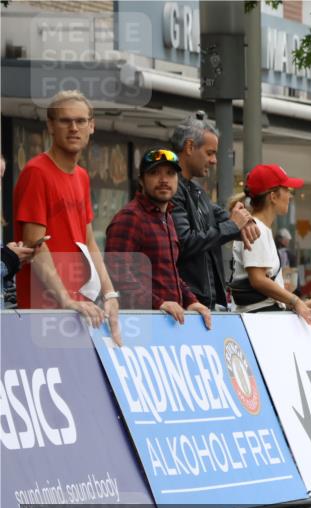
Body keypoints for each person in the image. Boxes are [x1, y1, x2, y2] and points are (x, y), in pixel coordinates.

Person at [12, 90, 122, 344]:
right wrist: (64, 299)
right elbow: (35, 246)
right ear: (50, 126)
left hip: (78, 310)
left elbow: (89, 240)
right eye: (65, 121)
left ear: (91, 126)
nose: (74, 128)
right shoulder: (36, 173)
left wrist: (109, 293)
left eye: (81, 121)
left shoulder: (81, 176)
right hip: (43, 313)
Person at [104, 148, 212, 328]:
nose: (164, 180)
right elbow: (116, 273)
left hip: (167, 325)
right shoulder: (130, 218)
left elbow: (169, 272)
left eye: (170, 173)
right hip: (139, 326)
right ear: (141, 180)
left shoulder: (167, 217)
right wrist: (158, 303)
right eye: (154, 173)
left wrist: (191, 300)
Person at [170, 113, 259, 310]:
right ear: (190, 147)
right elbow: (184, 242)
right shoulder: (174, 190)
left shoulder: (197, 191)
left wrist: (245, 220)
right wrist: (233, 225)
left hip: (203, 302)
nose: (214, 160)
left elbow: (225, 216)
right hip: (186, 305)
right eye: (210, 153)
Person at [229, 164, 311, 327]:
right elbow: (258, 280)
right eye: (287, 190)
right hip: (259, 321)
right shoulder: (255, 228)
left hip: (262, 317)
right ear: (273, 196)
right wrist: (295, 301)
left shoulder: (259, 227)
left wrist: (300, 304)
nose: (290, 196)